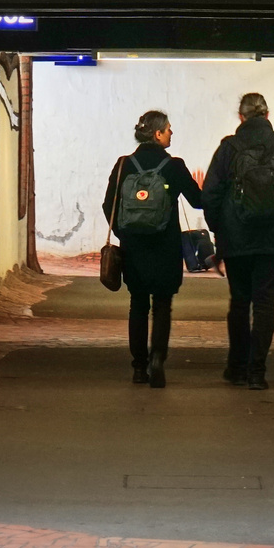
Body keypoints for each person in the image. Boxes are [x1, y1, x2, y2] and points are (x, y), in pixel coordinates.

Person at [201, 92, 274, 390]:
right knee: (265, 305)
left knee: (239, 302)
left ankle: (237, 367)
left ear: (240, 117)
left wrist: (219, 230)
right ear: (267, 115)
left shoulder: (229, 147)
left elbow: (211, 195)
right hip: (272, 236)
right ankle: (257, 372)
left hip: (236, 237)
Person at [101, 110, 205, 388]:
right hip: (166, 247)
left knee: (138, 304)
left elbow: (108, 206)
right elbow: (197, 201)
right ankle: (158, 358)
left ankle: (138, 367)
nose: (172, 133)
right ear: (158, 134)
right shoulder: (174, 165)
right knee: (162, 306)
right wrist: (204, 188)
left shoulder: (123, 165)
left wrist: (125, 235)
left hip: (134, 247)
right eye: (169, 129)